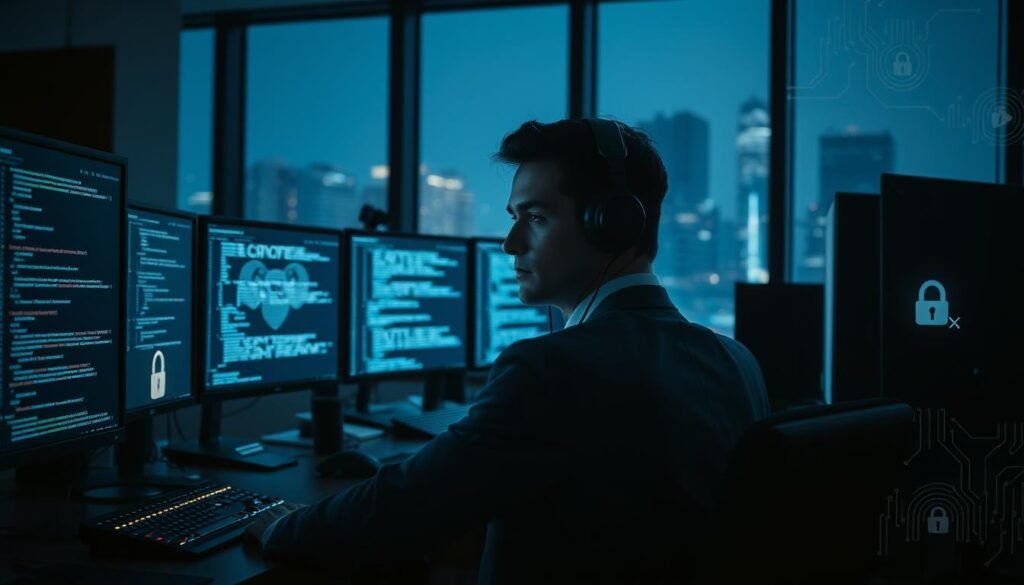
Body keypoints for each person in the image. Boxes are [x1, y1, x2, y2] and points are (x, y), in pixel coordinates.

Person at [243, 118, 770, 582]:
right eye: (514, 216)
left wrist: (285, 527)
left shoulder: (551, 369)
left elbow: (410, 506)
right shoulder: (737, 361)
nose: (511, 243)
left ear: (612, 224)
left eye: (536, 217)